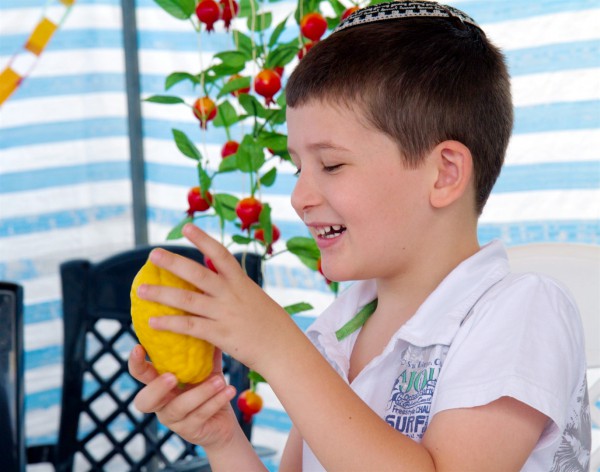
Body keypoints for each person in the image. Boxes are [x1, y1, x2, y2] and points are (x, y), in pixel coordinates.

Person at [128, 1, 591, 470]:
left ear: (444, 174)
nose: (298, 196)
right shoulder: (339, 329)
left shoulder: (525, 310)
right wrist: (223, 438)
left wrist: (278, 348)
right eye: (297, 167)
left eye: (331, 164)